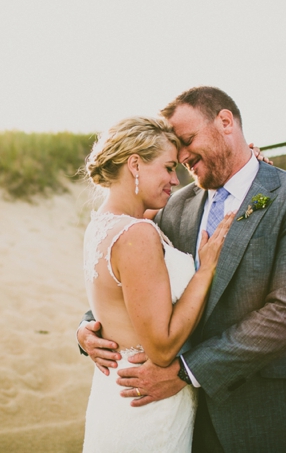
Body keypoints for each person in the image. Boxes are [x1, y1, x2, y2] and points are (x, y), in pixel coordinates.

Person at [78, 86, 286, 453]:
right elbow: (131, 276)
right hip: (196, 425)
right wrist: (89, 327)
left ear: (225, 122)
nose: (182, 156)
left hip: (273, 413)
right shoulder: (175, 206)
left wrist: (188, 371)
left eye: (186, 140)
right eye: (174, 150)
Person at [81, 116, 235, 451]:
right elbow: (162, 348)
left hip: (115, 395)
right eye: (167, 168)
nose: (175, 179)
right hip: (147, 404)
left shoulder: (104, 224)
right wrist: (205, 269)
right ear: (135, 164)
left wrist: (242, 165)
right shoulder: (137, 234)